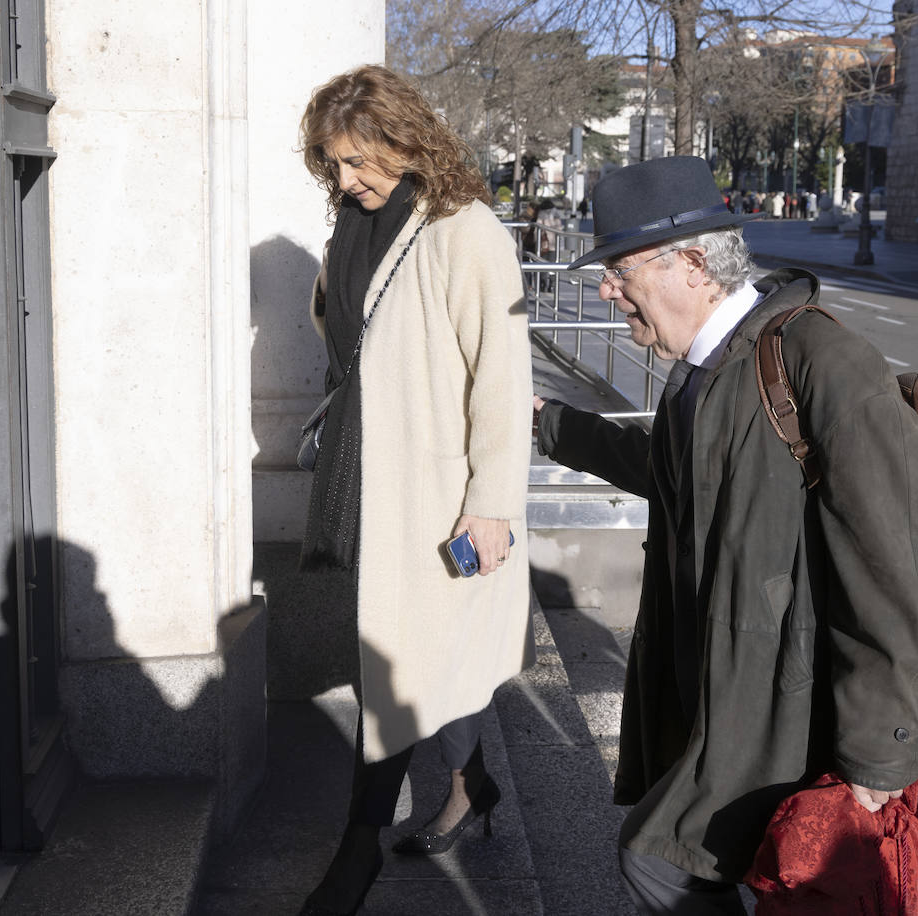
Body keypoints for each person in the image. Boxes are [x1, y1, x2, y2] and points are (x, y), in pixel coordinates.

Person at [532, 156, 918, 913]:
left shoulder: (821, 362)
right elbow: (670, 472)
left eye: (620, 270)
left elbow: (895, 566)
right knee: (715, 870)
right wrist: (551, 424)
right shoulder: (704, 369)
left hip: (790, 706)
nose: (605, 289)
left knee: (664, 862)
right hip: (719, 689)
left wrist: (882, 752)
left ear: (691, 263)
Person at [296, 65, 533, 916]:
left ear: (404, 138)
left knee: (396, 665)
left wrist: (494, 502)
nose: (345, 178)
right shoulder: (353, 228)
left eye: (357, 160)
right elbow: (352, 332)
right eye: (332, 163)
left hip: (438, 492)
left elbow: (500, 378)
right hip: (368, 475)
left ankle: (353, 858)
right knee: (423, 657)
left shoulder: (464, 230)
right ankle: (475, 786)